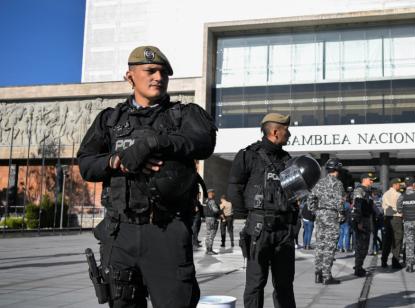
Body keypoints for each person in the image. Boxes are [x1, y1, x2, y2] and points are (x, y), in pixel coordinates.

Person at [78, 46, 216, 307]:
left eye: (163, 73)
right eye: (150, 71)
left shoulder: (183, 115)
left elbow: (204, 142)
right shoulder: (109, 120)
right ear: (130, 77)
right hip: (120, 233)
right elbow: (86, 164)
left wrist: (155, 142)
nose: (158, 78)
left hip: (166, 230)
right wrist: (115, 161)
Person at [227, 113, 297, 308]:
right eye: (286, 130)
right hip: (258, 230)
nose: (289, 134)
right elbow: (234, 187)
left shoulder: (287, 159)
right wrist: (247, 216)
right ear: (275, 132)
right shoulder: (248, 155)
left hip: (284, 231)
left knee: (285, 284)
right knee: (255, 284)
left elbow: (293, 193)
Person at [308, 158, 345, 285]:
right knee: (330, 246)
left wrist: (315, 210)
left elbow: (311, 197)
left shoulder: (320, 183)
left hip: (320, 215)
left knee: (320, 245)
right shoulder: (338, 183)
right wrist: (341, 215)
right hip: (331, 215)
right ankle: (326, 276)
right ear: (337, 169)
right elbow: (340, 202)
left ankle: (318, 273)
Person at [352, 172, 376, 277]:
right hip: (361, 221)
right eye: (370, 179)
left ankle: (359, 266)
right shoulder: (359, 190)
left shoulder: (367, 191)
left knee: (364, 246)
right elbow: (357, 206)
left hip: (366, 220)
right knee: (361, 246)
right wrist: (359, 222)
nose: (372, 181)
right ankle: (358, 268)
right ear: (364, 179)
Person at [381, 177, 403, 269]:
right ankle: (395, 261)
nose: (400, 186)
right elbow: (400, 207)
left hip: (387, 218)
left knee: (387, 240)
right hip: (396, 218)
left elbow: (383, 207)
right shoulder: (398, 195)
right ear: (394, 185)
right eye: (398, 184)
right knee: (397, 240)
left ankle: (384, 260)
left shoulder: (385, 194)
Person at [204, 189, 221, 255]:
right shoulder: (212, 201)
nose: (214, 194)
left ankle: (207, 249)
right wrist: (219, 210)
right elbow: (215, 210)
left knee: (208, 234)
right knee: (212, 234)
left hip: (207, 218)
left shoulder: (206, 201)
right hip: (212, 219)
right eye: (213, 193)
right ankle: (210, 250)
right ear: (211, 193)